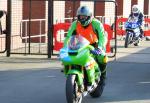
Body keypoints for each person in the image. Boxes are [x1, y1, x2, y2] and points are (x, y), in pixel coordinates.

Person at [64, 6, 108, 86]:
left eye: (84, 16)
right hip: (80, 45)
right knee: (70, 59)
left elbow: (102, 37)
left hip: (94, 46)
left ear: (89, 16)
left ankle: (103, 77)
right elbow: (68, 36)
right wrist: (64, 48)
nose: (82, 18)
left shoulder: (96, 23)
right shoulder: (75, 24)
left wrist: (100, 48)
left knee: (102, 57)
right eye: (80, 16)